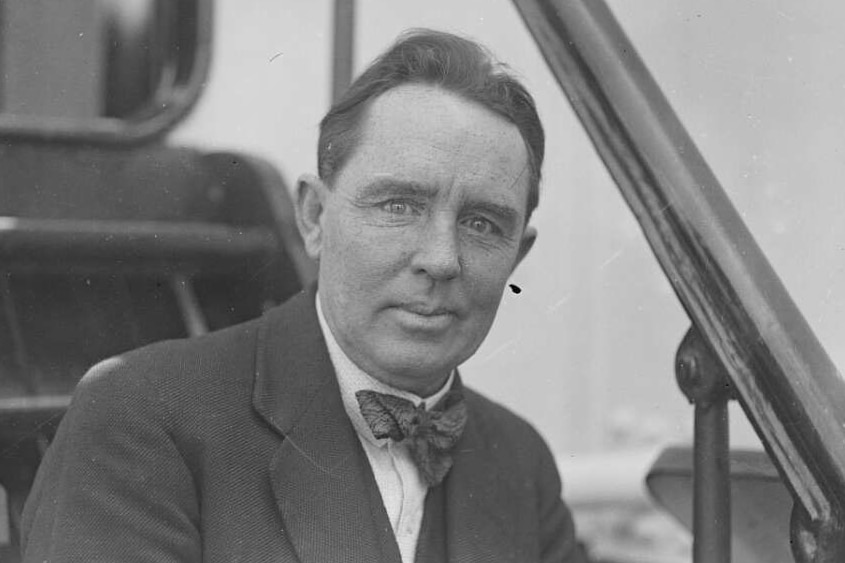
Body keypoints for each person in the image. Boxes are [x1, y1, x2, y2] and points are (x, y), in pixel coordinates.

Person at [21, 29, 585, 563]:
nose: (440, 259)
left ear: (518, 254)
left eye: (483, 224)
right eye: (399, 206)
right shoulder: (142, 418)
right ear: (314, 217)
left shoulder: (520, 461)